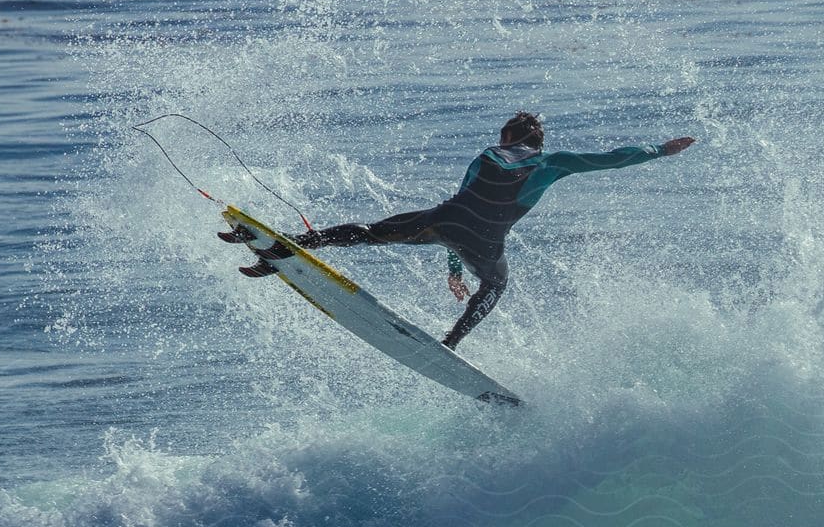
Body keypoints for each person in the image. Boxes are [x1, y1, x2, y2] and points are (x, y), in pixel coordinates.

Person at [239, 112, 696, 350]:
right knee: (495, 285)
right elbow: (612, 157)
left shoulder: (485, 155)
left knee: (367, 232)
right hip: (483, 240)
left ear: (506, 137)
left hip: (444, 223)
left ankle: (287, 245)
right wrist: (659, 149)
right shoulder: (553, 161)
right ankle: (451, 342)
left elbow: (460, 208)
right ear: (538, 141)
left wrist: (452, 263)